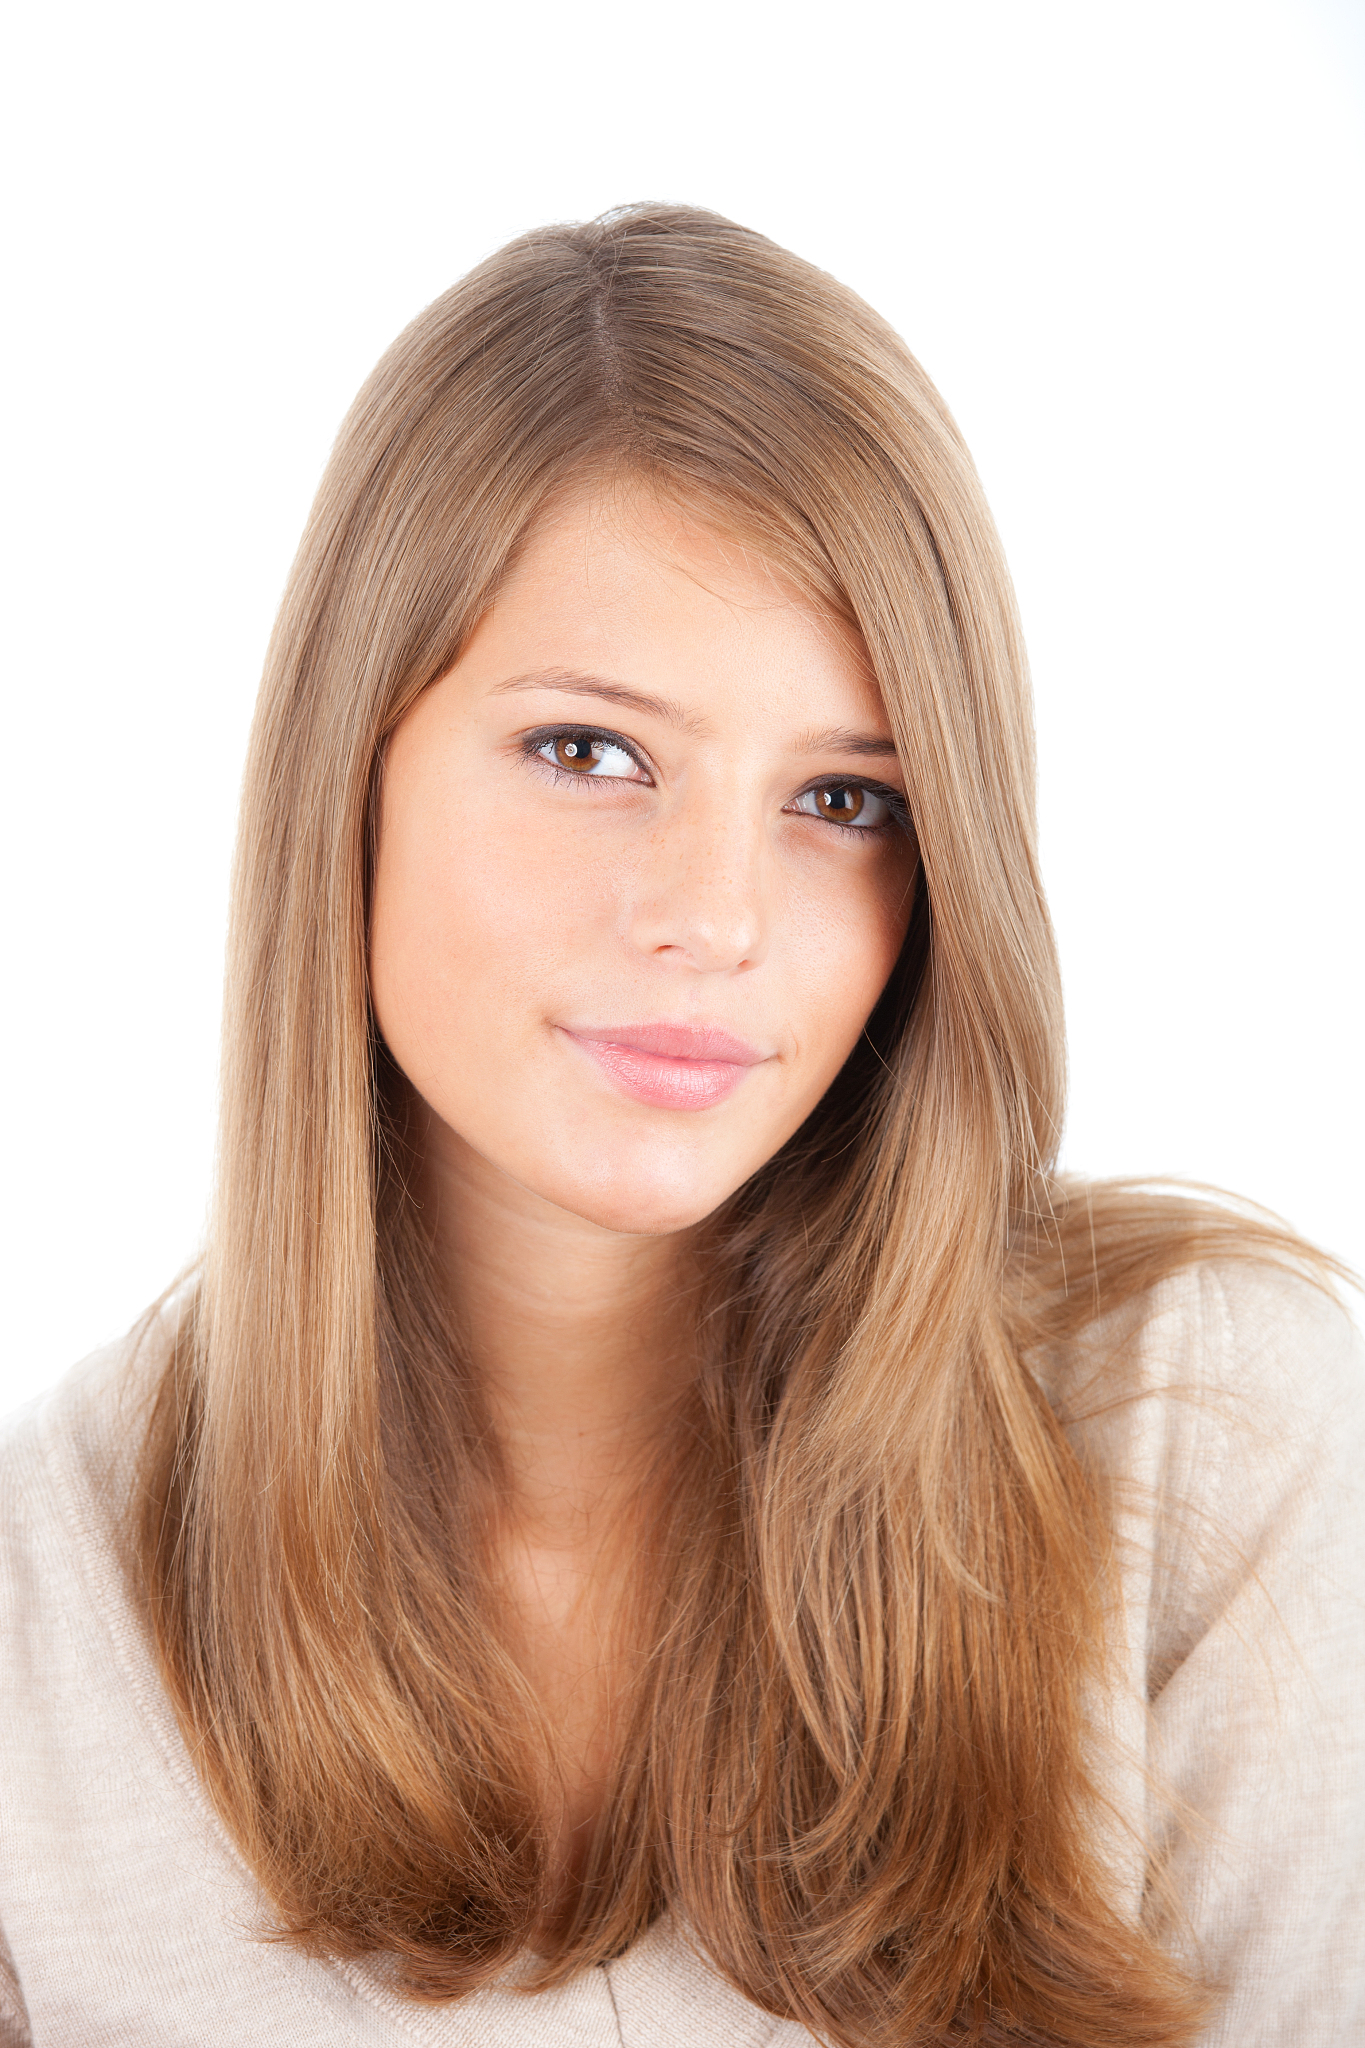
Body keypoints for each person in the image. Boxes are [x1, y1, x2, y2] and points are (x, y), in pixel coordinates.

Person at [0, 205, 1360, 2048]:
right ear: (353, 771)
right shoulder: (44, 1613)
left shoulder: (1206, 1438)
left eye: (839, 797)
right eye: (591, 752)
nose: (713, 914)